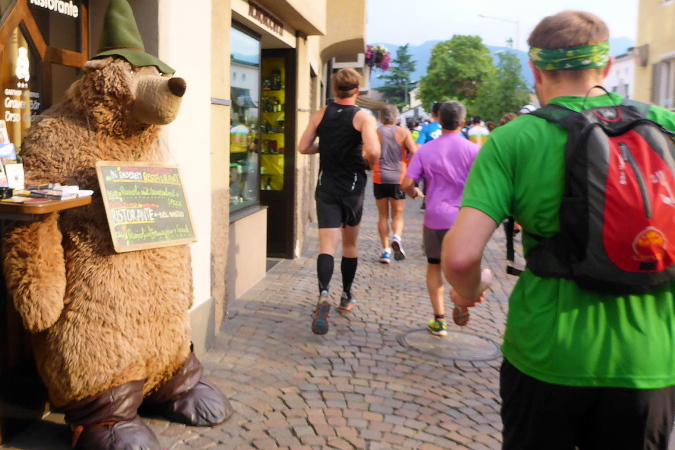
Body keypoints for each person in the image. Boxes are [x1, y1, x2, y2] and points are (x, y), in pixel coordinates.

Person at [441, 10, 675, 449]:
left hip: (546, 352)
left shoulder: (513, 139)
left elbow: (459, 257)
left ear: (536, 70)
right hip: (650, 356)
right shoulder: (666, 126)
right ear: (607, 66)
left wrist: (471, 289)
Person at [298, 68, 380, 335]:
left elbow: (303, 147)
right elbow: (374, 150)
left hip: (326, 186)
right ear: (357, 89)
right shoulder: (363, 117)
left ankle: (323, 294)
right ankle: (345, 295)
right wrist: (369, 161)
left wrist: (326, 146)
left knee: (326, 247)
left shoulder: (321, 114)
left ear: (334, 89)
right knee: (350, 245)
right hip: (352, 188)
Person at [401, 101, 480, 336]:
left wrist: (414, 193)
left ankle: (439, 320)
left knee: (434, 266)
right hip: (463, 219)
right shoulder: (474, 151)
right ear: (462, 122)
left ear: (438, 120)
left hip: (435, 217)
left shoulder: (426, 150)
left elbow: (407, 183)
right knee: (461, 266)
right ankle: (459, 302)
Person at [373, 104, 417, 264]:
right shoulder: (404, 132)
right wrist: (408, 167)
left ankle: (385, 251)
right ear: (397, 118)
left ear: (381, 117)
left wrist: (371, 165)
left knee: (382, 216)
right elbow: (414, 152)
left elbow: (369, 152)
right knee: (398, 214)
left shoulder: (376, 132)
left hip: (380, 176)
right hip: (399, 177)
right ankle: (397, 237)